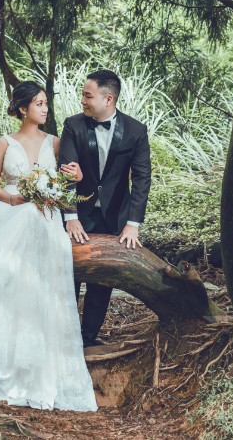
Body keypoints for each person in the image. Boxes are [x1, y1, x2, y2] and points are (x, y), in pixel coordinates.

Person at [0, 80, 97, 412]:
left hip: (45, 222)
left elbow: (71, 178)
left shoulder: (56, 143)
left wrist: (73, 178)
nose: (46, 109)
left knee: (39, 292)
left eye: (47, 103)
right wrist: (14, 197)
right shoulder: (6, 143)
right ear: (23, 109)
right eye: (40, 104)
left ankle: (33, 372)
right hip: (10, 217)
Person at [59, 69, 152, 347]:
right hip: (79, 216)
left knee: (102, 282)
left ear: (108, 99)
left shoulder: (136, 131)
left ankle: (88, 338)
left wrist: (132, 223)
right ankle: (64, 338)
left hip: (115, 218)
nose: (82, 100)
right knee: (69, 277)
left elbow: (142, 178)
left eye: (88, 96)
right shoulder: (72, 126)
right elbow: (65, 172)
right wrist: (70, 216)